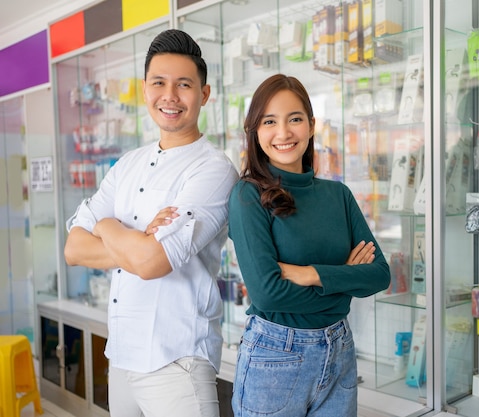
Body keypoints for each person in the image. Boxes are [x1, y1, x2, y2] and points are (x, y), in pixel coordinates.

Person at [64, 29, 238, 417]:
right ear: (145, 90)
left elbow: (152, 263)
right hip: (122, 358)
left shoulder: (213, 170)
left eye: (184, 85)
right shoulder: (127, 164)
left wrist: (108, 227)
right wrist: (138, 240)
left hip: (177, 361)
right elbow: (73, 249)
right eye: (159, 83)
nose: (170, 96)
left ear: (204, 95)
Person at [227, 74, 391, 417]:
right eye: (269, 121)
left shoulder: (338, 195)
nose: (283, 133)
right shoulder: (248, 196)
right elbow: (267, 294)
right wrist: (345, 278)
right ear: (255, 131)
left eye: (295, 119)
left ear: (312, 125)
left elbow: (378, 275)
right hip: (274, 354)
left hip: (339, 349)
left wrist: (310, 274)